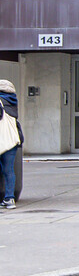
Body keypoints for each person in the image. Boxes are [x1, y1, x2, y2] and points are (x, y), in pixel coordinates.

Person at [0, 80, 22, 209]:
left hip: (1, 139)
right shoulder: (13, 101)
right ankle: (9, 198)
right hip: (12, 140)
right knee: (9, 170)